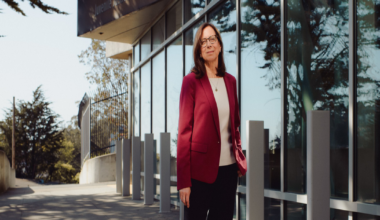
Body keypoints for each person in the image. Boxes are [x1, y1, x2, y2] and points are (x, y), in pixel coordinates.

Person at [176, 22, 247, 220]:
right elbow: (183, 134)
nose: (208, 44)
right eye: (203, 41)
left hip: (228, 172)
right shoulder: (191, 82)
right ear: (199, 50)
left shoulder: (230, 82)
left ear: (220, 45)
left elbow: (235, 125)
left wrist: (239, 158)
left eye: (212, 39)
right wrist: (184, 181)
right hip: (199, 173)